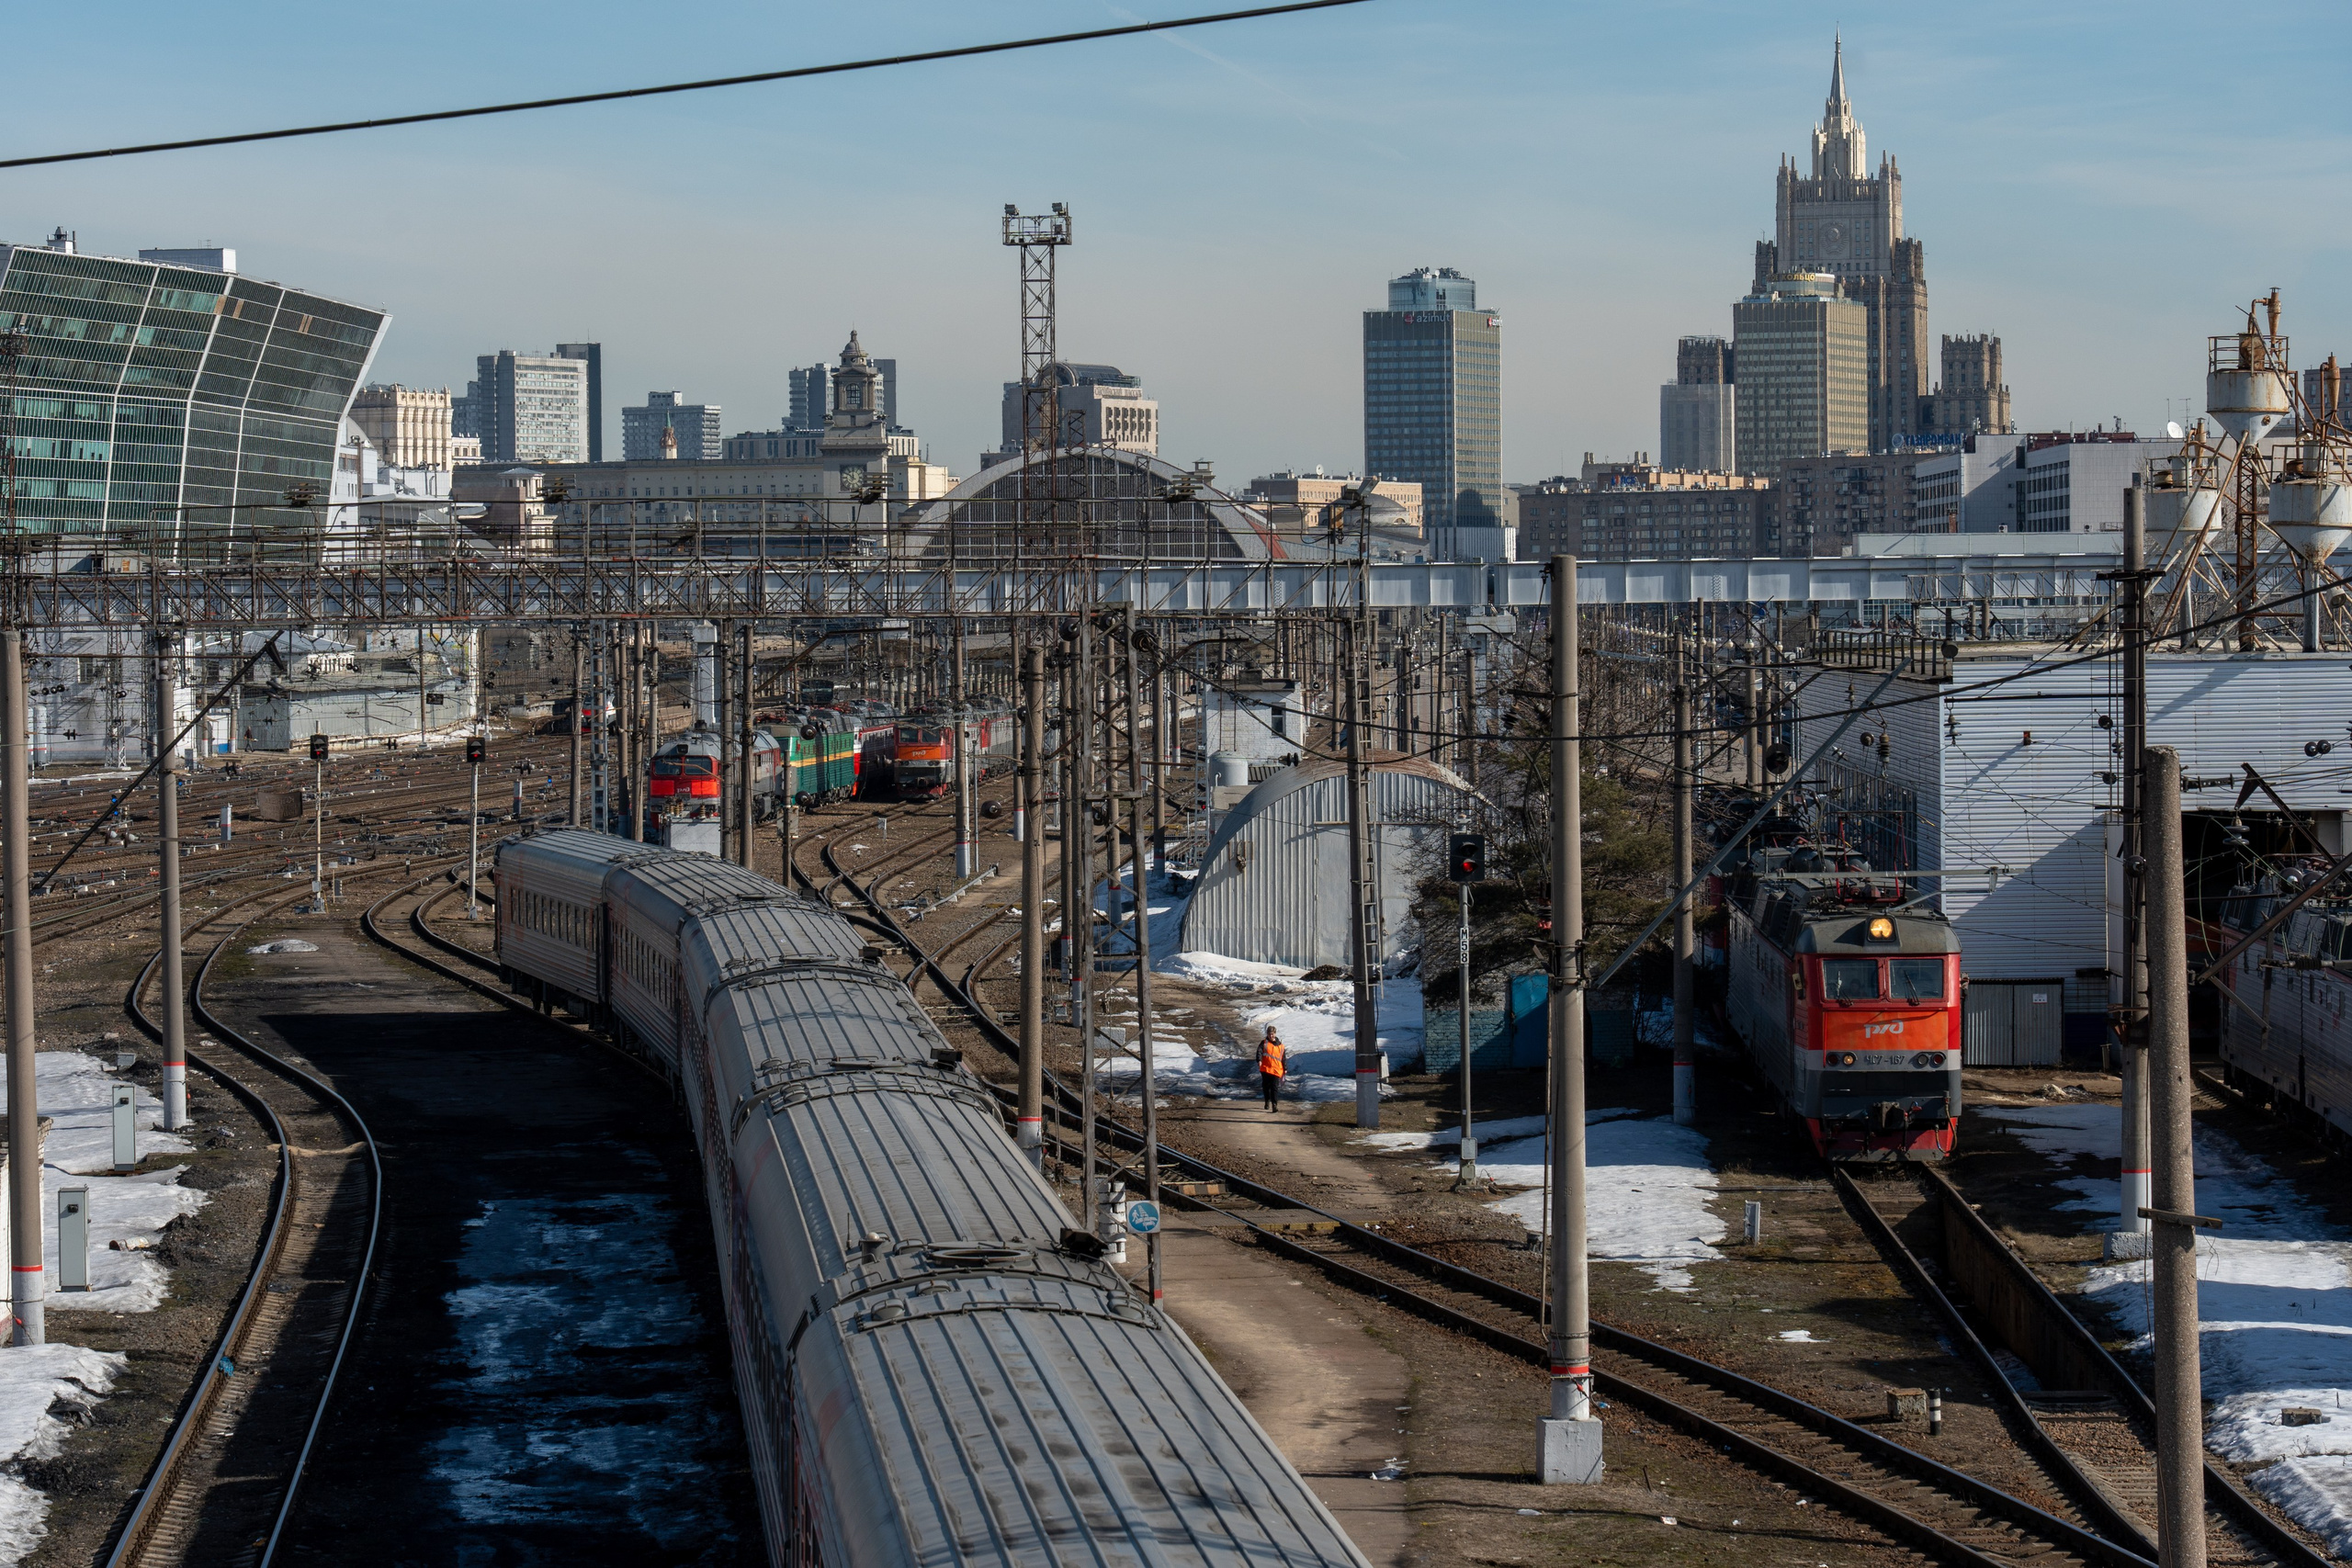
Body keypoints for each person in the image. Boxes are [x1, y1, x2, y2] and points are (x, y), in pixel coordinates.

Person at [1257, 1025, 1286, 1112]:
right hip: (1266, 1069)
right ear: (1267, 1034)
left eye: (1272, 1034)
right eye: (1269, 1034)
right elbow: (1259, 1052)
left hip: (1276, 1069)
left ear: (1275, 1034)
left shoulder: (1281, 1046)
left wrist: (1285, 1068)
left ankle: (1274, 1104)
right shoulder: (1264, 1043)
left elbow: (1283, 1058)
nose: (1271, 1036)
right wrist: (1259, 1060)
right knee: (1266, 1087)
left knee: (1274, 1087)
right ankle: (1267, 1101)